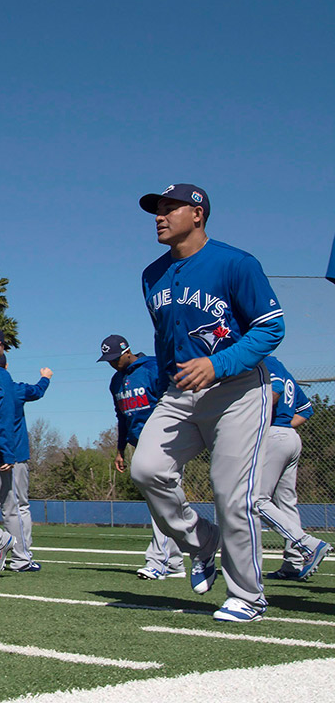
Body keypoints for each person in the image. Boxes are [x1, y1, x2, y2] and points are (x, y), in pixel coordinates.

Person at [129, 184, 284, 623]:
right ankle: (201, 542)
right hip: (179, 392)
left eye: (169, 208)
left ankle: (248, 597)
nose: (159, 216)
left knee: (231, 494)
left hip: (236, 389)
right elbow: (164, 340)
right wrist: (163, 388)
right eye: (156, 210)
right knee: (147, 469)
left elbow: (271, 329)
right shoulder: (151, 273)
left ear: (198, 214)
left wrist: (219, 364)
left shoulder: (236, 262)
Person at [98, 334, 184, 580]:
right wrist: (120, 449)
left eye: (115, 358)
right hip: (140, 445)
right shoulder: (116, 381)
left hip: (165, 440)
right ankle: (175, 562)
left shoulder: (153, 368)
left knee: (162, 501)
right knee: (163, 502)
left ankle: (159, 560)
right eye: (108, 360)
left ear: (127, 351)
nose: (112, 364)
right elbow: (122, 417)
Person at [0, 329, 52, 572]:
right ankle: (22, 558)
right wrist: (46, 377)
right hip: (12, 454)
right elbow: (38, 390)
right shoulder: (11, 385)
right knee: (16, 507)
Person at [255, 356, 326, 579]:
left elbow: (274, 393)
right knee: (286, 503)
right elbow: (305, 410)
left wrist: (265, 426)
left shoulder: (266, 362)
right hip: (288, 436)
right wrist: (284, 428)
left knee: (256, 500)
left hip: (274, 435)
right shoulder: (284, 369)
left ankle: (308, 544)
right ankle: (294, 563)